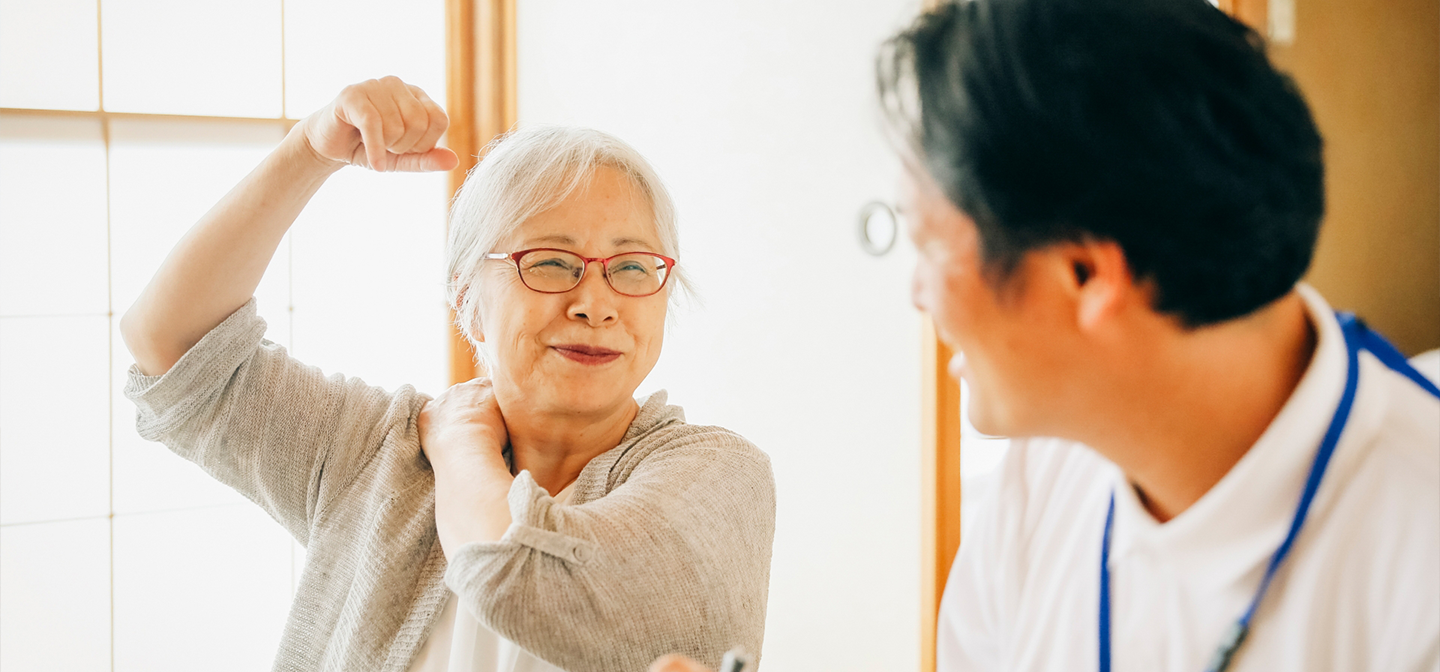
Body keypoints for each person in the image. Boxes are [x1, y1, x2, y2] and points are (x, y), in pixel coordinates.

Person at [652, 0, 1439, 670]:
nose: (917, 294)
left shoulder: (1415, 566)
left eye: (928, 244)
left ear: (1087, 275)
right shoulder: (1048, 465)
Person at [119, 77, 776, 672]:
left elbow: (524, 577)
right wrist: (308, 150)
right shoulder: (377, 453)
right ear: (466, 297)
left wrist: (460, 444)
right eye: (550, 262)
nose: (594, 303)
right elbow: (170, 345)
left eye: (632, 268)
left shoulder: (718, 477)